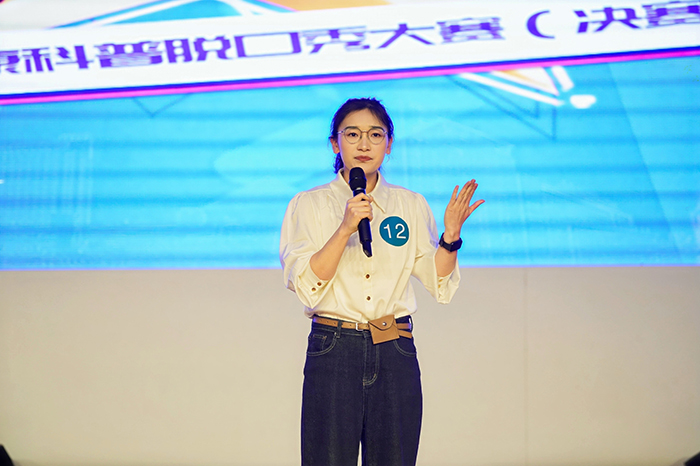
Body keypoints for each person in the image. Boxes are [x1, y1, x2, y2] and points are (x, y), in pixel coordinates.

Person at [280, 97, 483, 466]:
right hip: (334, 346)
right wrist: (345, 228)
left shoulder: (410, 204)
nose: (364, 144)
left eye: (375, 135)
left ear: (389, 145)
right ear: (335, 143)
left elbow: (437, 281)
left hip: (394, 348)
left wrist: (451, 238)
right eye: (352, 134)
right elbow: (307, 285)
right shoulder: (309, 204)